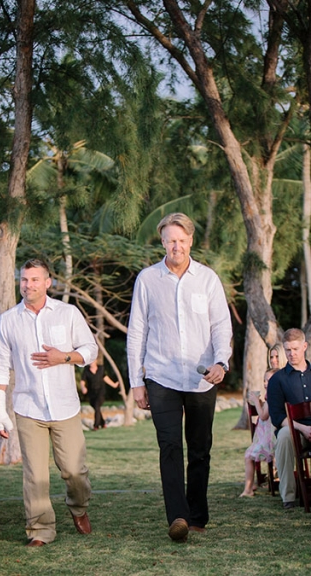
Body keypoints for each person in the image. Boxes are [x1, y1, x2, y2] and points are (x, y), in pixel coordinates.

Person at [126, 213, 232, 542]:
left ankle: (198, 515)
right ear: (162, 242)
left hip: (202, 378)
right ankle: (179, 518)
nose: (177, 246)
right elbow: (136, 332)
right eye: (171, 240)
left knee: (200, 448)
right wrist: (136, 381)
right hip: (161, 376)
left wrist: (221, 362)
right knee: (169, 445)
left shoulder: (208, 279)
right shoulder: (147, 279)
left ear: (190, 242)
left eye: (182, 240)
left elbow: (221, 326)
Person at [0, 259, 98, 547]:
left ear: (48, 282)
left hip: (65, 407)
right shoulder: (8, 320)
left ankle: (78, 507)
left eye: (35, 279)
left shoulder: (68, 313)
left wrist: (62, 357)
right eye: (24, 280)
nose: (29, 285)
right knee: (35, 476)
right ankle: (40, 530)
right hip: (28, 408)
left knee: (74, 471)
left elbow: (90, 349)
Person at [266, 328, 311, 509]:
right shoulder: (277, 380)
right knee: (284, 434)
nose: (291, 354)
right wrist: (303, 429)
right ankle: (289, 496)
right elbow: (277, 416)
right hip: (295, 432)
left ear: (304, 346)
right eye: (288, 350)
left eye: (295, 349)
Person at [240, 367, 276, 497]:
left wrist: (256, 402)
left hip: (269, 439)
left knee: (249, 455)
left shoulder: (273, 397)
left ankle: (248, 488)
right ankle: (251, 484)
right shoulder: (272, 396)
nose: (266, 384)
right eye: (264, 380)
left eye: (269, 381)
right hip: (266, 437)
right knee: (249, 455)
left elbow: (263, 416)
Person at [80, 360, 119, 429]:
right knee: (96, 408)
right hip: (91, 393)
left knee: (97, 406)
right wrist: (83, 388)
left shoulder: (101, 369)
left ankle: (96, 426)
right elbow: (82, 381)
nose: (91, 362)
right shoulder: (86, 370)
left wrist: (114, 385)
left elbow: (105, 378)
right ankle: (103, 423)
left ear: (96, 361)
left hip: (100, 392)